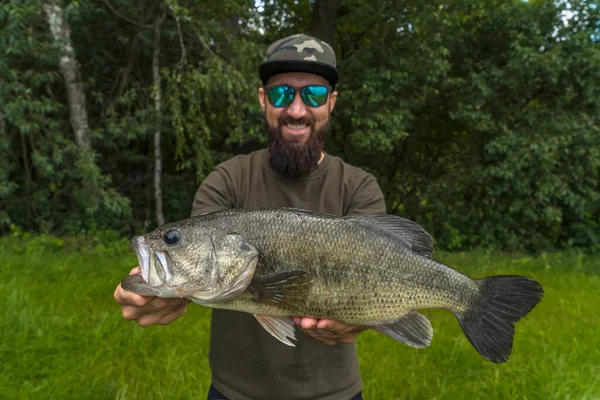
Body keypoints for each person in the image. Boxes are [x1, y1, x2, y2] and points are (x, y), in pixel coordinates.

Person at [114, 33, 387, 400]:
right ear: (263, 99)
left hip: (336, 392)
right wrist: (167, 295)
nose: (296, 109)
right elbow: (204, 266)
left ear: (332, 103)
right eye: (280, 94)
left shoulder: (359, 187)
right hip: (234, 392)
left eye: (314, 95)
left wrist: (366, 319)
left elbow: (382, 280)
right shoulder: (227, 180)